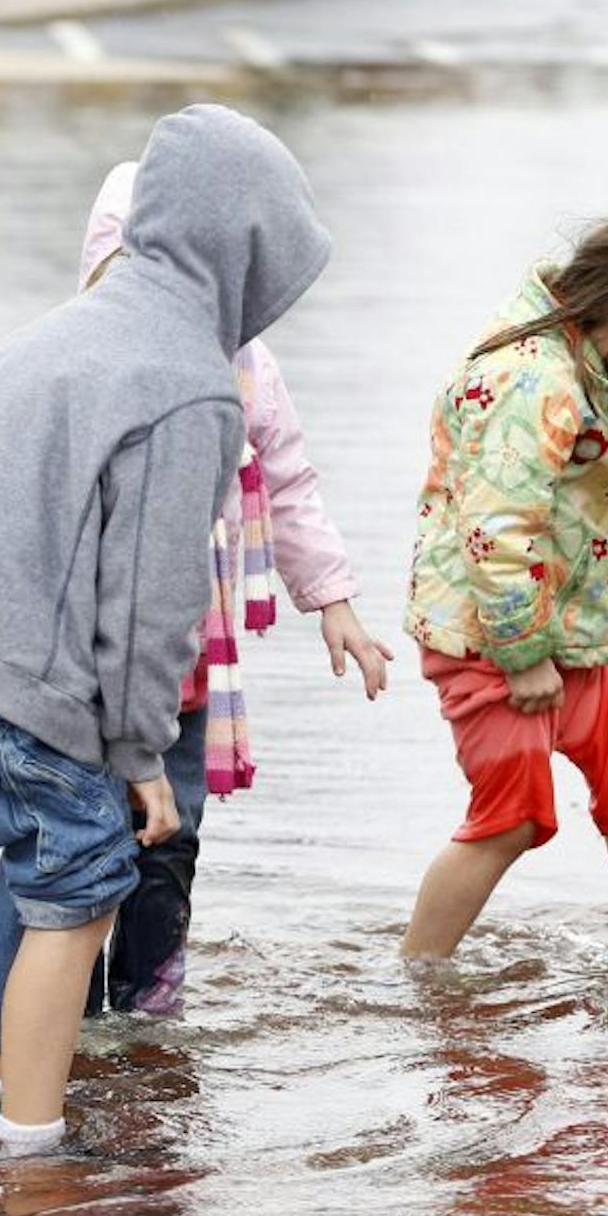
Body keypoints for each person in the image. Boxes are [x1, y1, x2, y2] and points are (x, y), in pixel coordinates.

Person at [0, 106, 332, 1156]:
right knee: (81, 884)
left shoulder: (65, 331)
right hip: (6, 665)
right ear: (246, 258)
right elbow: (152, 605)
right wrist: (134, 752)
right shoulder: (189, 386)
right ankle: (32, 1149)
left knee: (48, 856)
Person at [63, 162, 392, 1028]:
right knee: (79, 834)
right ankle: (58, 1006)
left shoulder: (249, 368)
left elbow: (287, 481)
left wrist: (334, 600)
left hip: (189, 650)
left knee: (175, 830)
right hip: (86, 652)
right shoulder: (83, 356)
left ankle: (147, 1006)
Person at [399, 210, 608, 965]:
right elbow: (497, 527)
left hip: (569, 630)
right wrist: (520, 652)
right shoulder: (530, 378)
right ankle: (419, 972)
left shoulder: (588, 364)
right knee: (511, 814)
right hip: (488, 637)